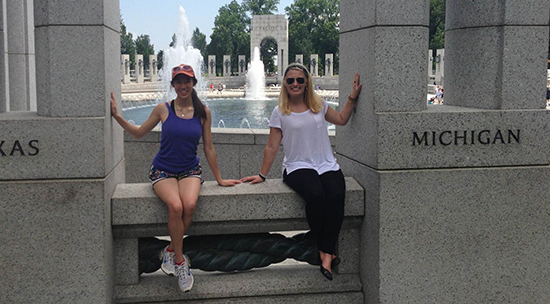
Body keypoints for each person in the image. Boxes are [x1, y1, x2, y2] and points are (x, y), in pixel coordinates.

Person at [110, 63, 240, 292]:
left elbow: (209, 148)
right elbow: (139, 133)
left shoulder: (203, 113)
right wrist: (117, 117)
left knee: (190, 204)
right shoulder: (163, 109)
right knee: (175, 206)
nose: (183, 86)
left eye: (187, 81)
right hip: (163, 170)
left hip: (190, 169)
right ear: (173, 85)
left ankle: (170, 250)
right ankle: (180, 263)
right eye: (178, 81)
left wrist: (219, 179)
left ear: (193, 84)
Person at [241, 63, 362, 281]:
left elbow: (342, 120)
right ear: (284, 85)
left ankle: (324, 250)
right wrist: (262, 175)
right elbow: (272, 145)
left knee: (336, 195)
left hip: (325, 164)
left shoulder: (319, 105)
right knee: (316, 196)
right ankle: (327, 251)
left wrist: (352, 98)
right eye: (290, 81)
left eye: (299, 80)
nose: (295, 84)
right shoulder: (280, 112)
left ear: (307, 83)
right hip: (297, 166)